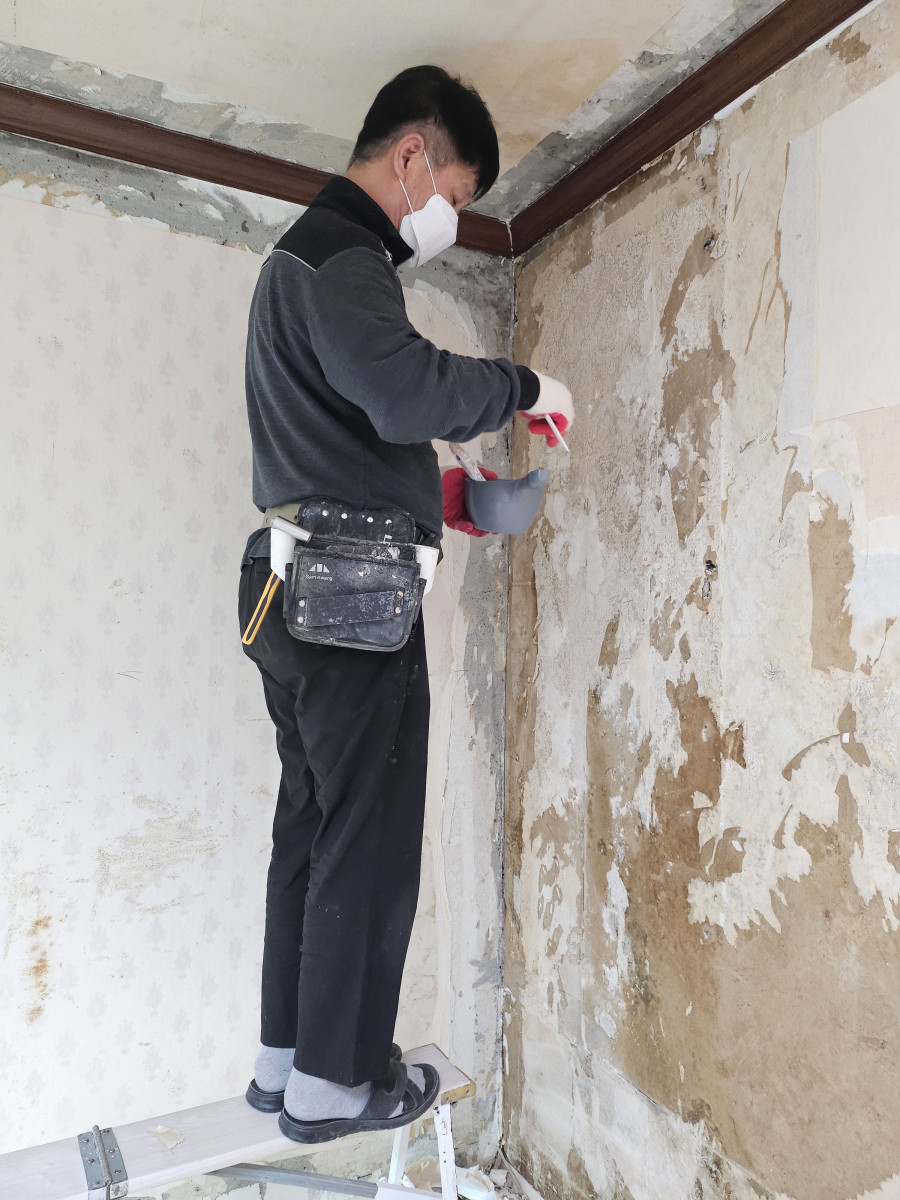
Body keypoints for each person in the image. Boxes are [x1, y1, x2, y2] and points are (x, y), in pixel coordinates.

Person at [237, 64, 573, 1144]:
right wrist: (523, 388)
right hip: (350, 600)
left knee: (314, 829)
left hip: (297, 582)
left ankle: (287, 1063)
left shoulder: (301, 265)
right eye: (457, 198)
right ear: (412, 157)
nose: (451, 221)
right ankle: (334, 1087)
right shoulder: (347, 255)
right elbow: (404, 389)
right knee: (369, 841)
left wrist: (443, 503)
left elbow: (342, 434)